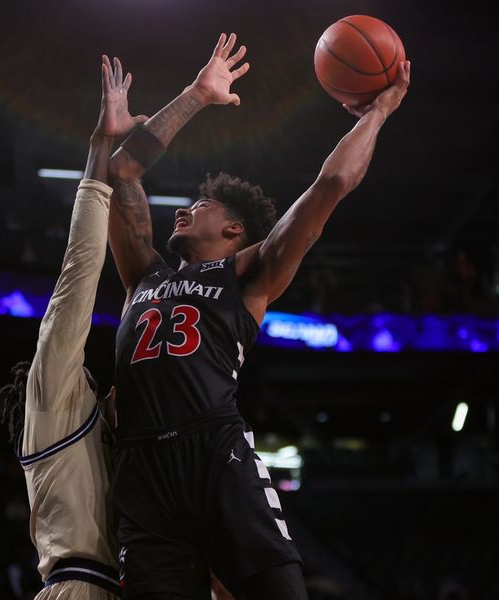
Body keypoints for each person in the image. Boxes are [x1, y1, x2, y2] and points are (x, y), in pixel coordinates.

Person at [106, 33, 410, 599]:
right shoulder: (143, 276)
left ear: (235, 231)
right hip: (142, 470)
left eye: (203, 207)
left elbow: (333, 184)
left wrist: (382, 110)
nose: (185, 209)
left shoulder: (248, 274)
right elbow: (122, 172)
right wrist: (197, 94)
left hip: (215, 454)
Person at [0, 55, 147, 599]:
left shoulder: (95, 438)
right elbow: (80, 269)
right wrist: (99, 148)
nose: (111, 393)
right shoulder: (54, 392)